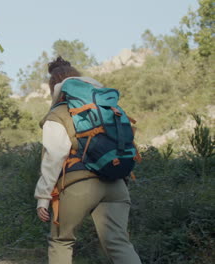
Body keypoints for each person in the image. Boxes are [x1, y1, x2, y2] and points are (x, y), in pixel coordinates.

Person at [34, 57, 142, 264]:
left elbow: (54, 156)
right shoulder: (107, 107)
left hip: (79, 185)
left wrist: (43, 197)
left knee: (61, 241)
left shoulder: (58, 113)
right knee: (119, 243)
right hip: (116, 184)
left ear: (54, 88)